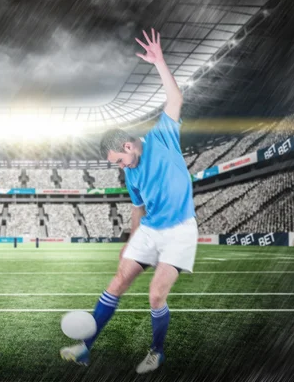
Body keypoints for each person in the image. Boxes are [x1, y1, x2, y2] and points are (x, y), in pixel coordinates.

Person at [60, 28, 197, 374]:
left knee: (155, 295)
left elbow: (175, 99)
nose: (119, 167)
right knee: (118, 281)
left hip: (180, 229)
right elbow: (137, 209)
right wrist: (131, 242)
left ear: (128, 146)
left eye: (118, 160)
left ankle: (157, 350)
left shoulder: (162, 138)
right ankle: (85, 347)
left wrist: (159, 62)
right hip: (150, 229)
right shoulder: (131, 174)